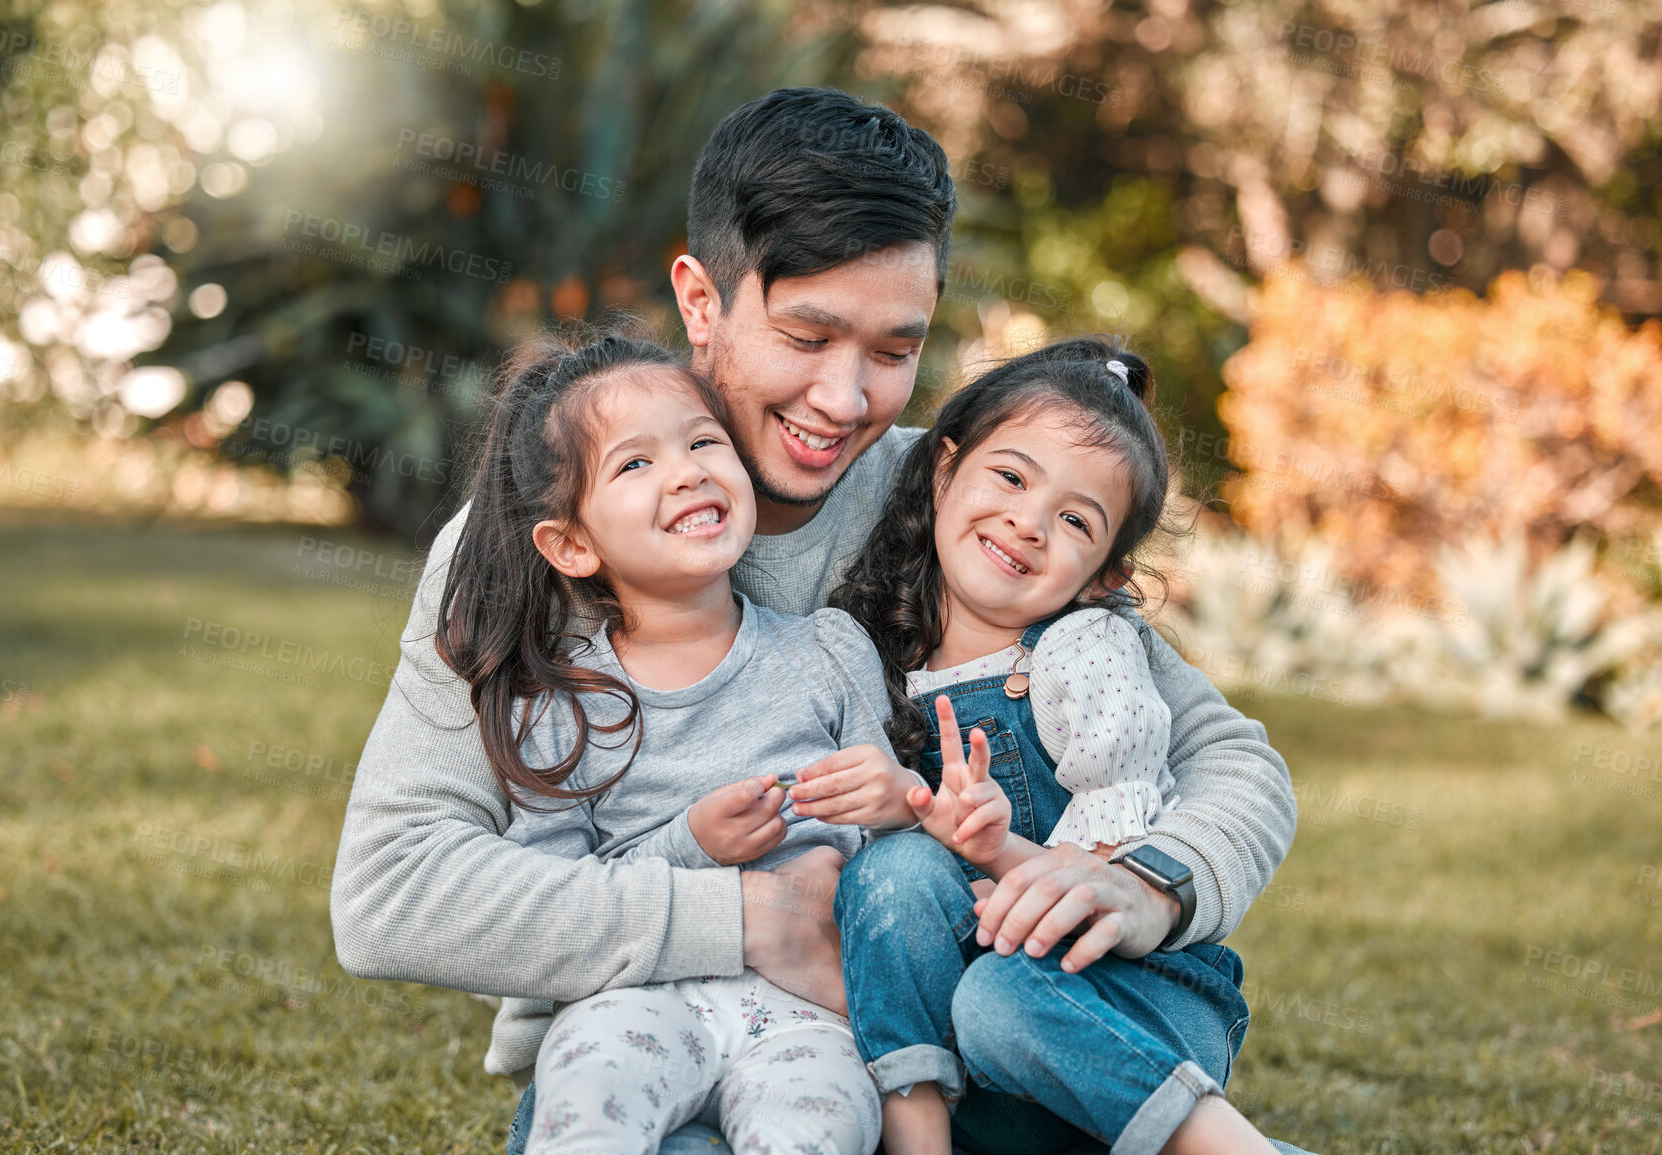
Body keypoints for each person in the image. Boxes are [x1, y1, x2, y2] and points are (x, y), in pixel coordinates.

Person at [329, 87, 1302, 1155]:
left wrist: (1147, 882)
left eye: (894, 350)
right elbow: (394, 889)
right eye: (807, 334)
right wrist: (746, 921)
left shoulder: (965, 503)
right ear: (701, 302)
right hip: (650, 1034)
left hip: (933, 1059)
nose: (844, 398)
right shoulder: (531, 540)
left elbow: (1230, 758)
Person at [438, 331, 914, 1152]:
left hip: (808, 1011)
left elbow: (895, 859)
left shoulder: (826, 652)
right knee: (588, 1111)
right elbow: (555, 901)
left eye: (702, 442)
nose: (688, 470)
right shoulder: (558, 703)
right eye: (634, 464)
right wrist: (689, 843)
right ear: (572, 544)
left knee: (818, 1130)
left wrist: (896, 800)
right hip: (635, 999)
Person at [812, 338, 1271, 1154]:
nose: (1027, 523)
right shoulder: (872, 650)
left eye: (1073, 521)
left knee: (998, 997)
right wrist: (911, 813)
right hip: (991, 1067)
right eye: (1012, 478)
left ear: (1103, 576)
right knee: (895, 872)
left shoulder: (1081, 654)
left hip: (1126, 1002)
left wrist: (993, 847)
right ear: (944, 470)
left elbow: (1088, 892)